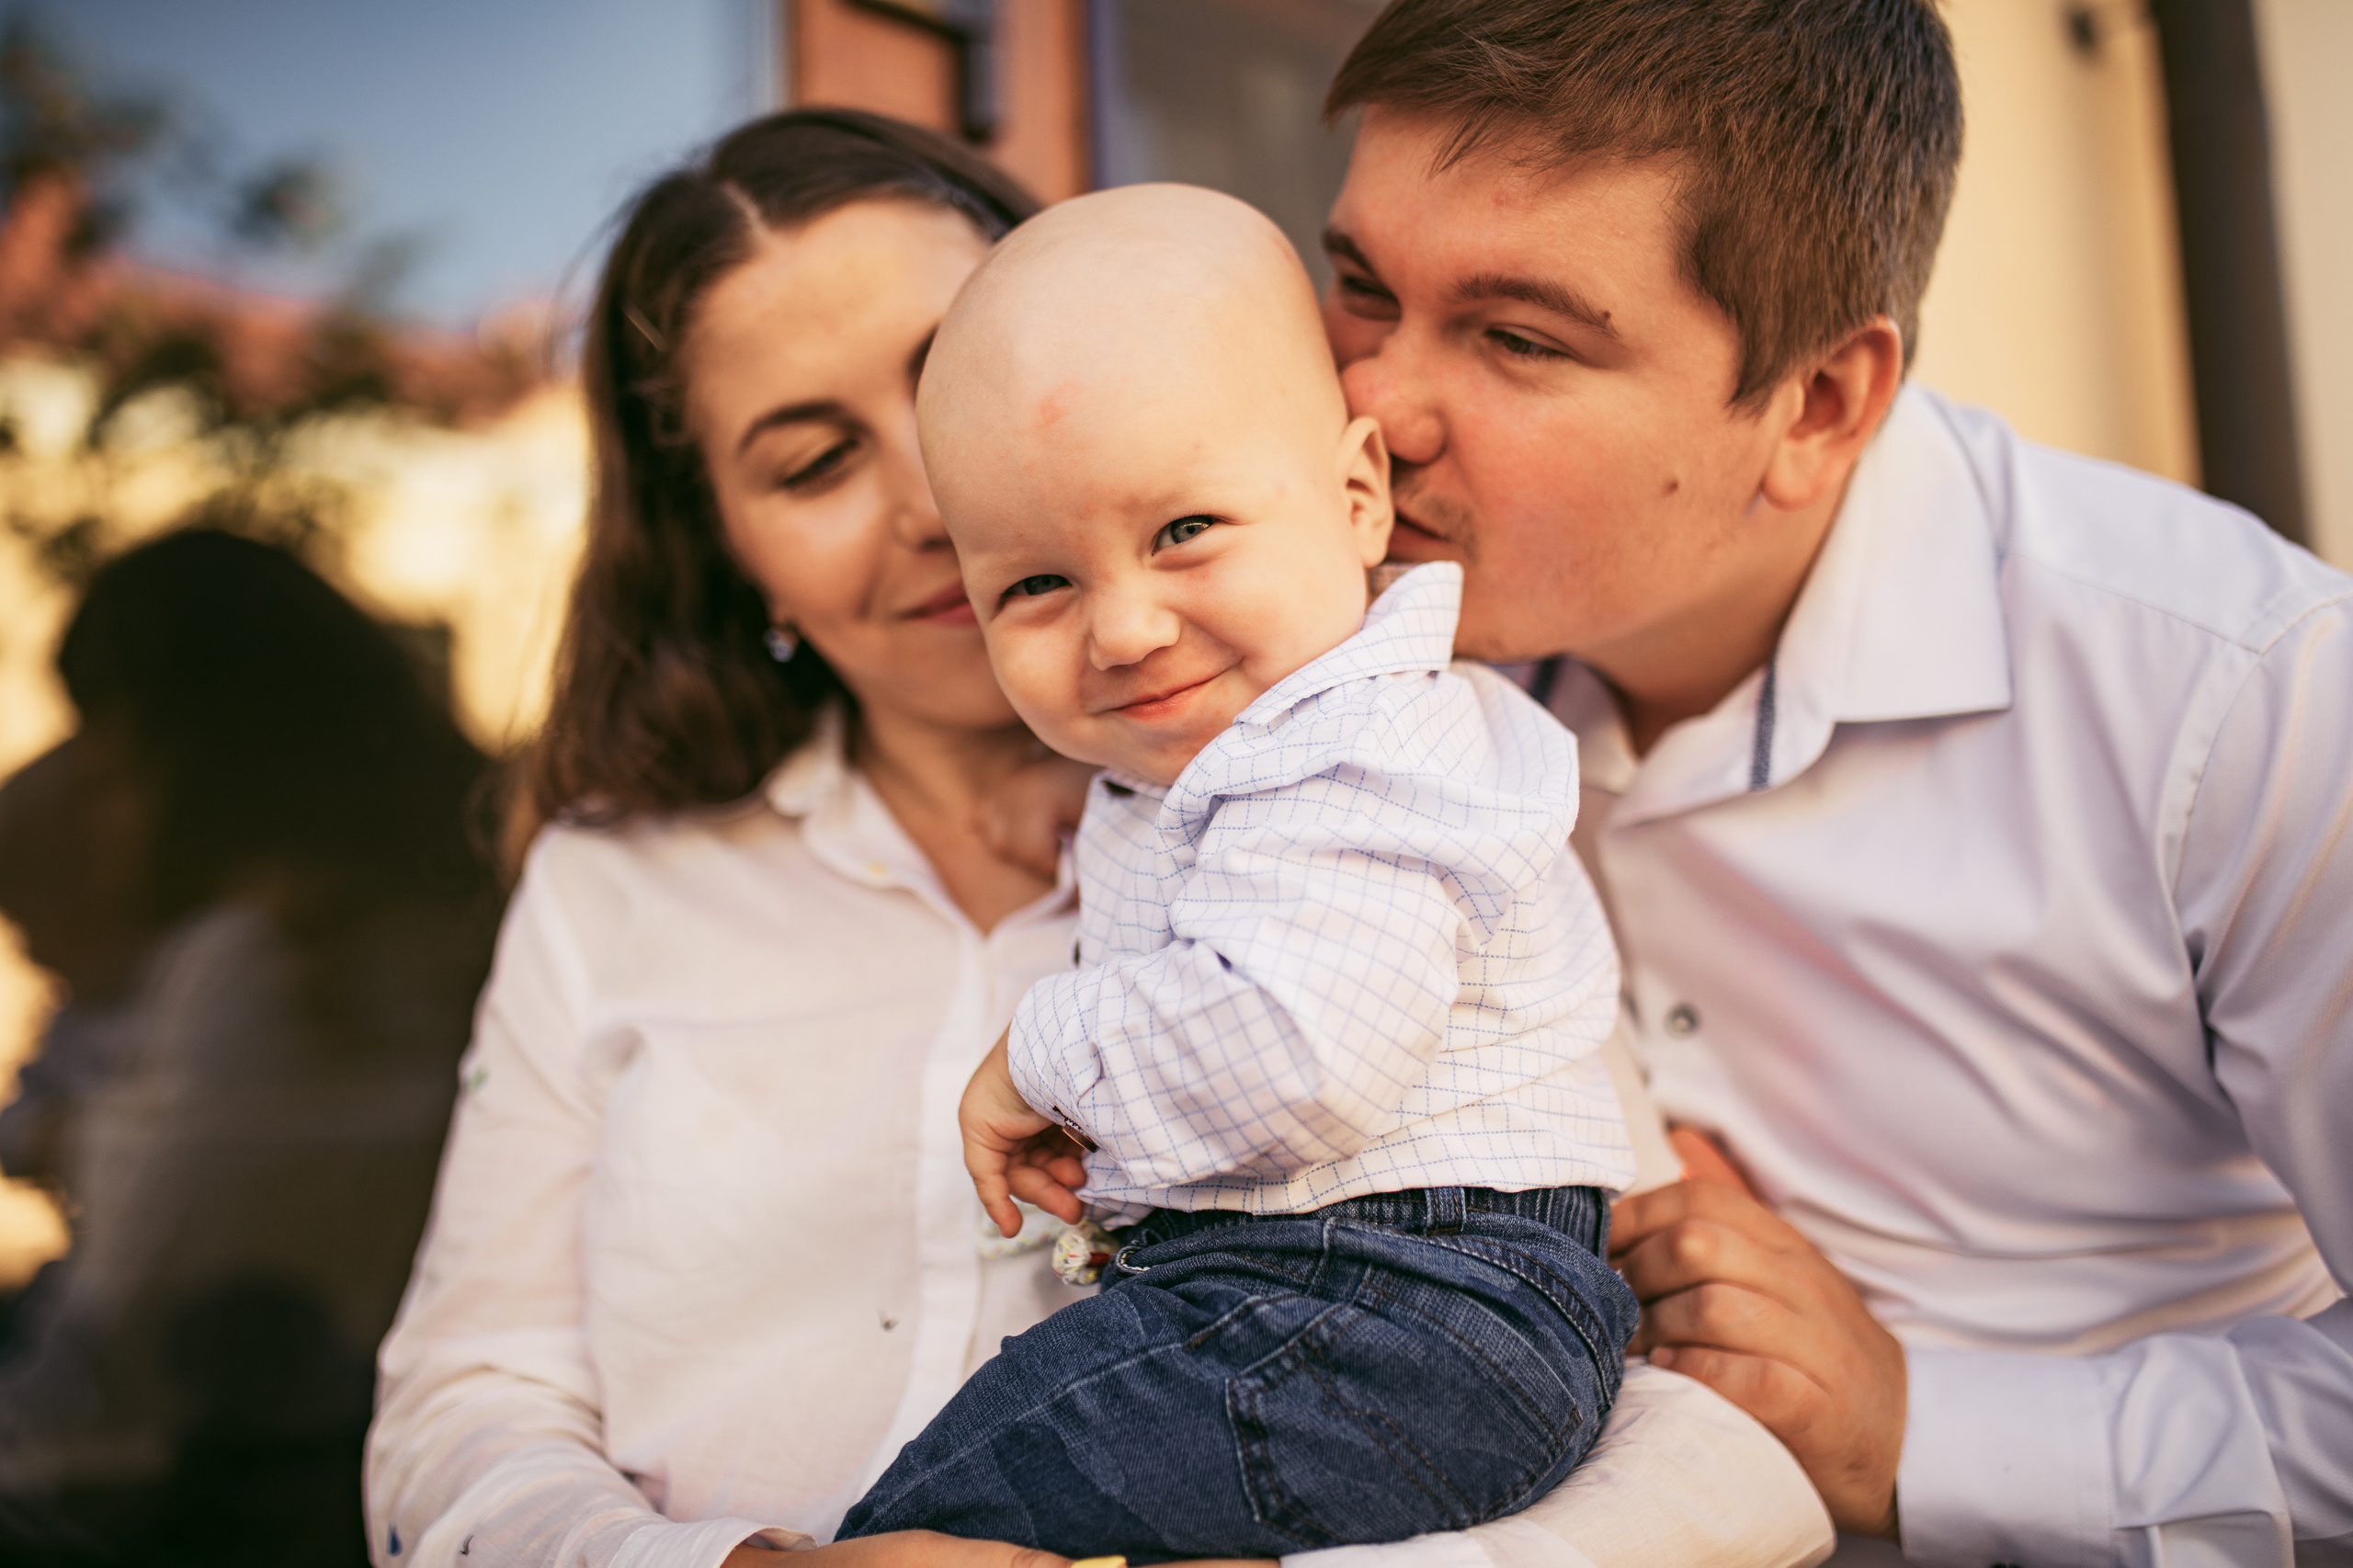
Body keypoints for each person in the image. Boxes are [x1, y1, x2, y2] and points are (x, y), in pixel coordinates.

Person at [365, 108, 1831, 1568]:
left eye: (957, 381)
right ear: (729, 548)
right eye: (814, 461)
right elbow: (461, 1413)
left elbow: (1705, 1445)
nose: (930, 505)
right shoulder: (617, 886)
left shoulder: (1373, 776)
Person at [1299, 1, 2351, 1562]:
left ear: (1820, 404)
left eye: (1518, 339)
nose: (1376, 406)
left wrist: (1928, 1427)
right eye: (1362, 290)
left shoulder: (2244, 700)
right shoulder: (1334, 625)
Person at [839, 184, 1640, 1560]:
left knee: (946, 1508)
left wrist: (1043, 1051)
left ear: (1355, 494)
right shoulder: (1247, 761)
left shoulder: (1362, 745)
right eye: (1036, 585)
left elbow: (1294, 1044)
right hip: (1352, 1293)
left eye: (1185, 530)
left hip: (1409, 1296)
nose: (1127, 627)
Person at [0, 528, 499, 1567]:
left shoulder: (269, 967)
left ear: (193, 749)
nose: (92, 790)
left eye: (113, 746)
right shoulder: (448, 912)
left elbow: (113, 1368)